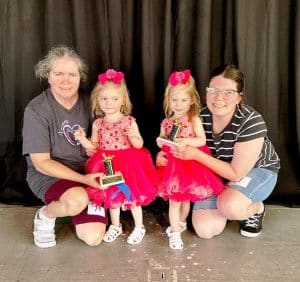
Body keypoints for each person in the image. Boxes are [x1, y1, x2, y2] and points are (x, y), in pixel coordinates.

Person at [157, 64, 280, 239]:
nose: (219, 97)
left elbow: (235, 173)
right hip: (215, 172)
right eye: (213, 90)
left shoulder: (251, 121)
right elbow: (178, 144)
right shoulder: (198, 117)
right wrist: (165, 153)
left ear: (239, 97)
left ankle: (255, 208)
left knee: (231, 207)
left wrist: (196, 154)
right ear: (206, 92)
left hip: (254, 171)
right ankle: (228, 198)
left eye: (228, 92)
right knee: (205, 230)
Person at [22, 45, 107, 248]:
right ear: (48, 76)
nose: (65, 81)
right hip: (51, 176)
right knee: (78, 198)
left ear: (80, 77)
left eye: (72, 74)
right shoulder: (37, 110)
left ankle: (76, 204)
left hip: (90, 173)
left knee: (93, 237)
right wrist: (82, 180)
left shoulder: (93, 103)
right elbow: (41, 163)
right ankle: (46, 215)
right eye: (58, 73)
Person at [74, 69, 157, 245]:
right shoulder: (98, 123)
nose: (109, 103)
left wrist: (134, 136)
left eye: (114, 99)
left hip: (129, 164)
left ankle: (139, 226)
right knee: (112, 197)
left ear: (122, 100)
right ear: (97, 100)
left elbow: (139, 144)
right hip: (106, 163)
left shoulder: (129, 121)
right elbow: (95, 147)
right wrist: (83, 140)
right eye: (104, 98)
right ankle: (116, 225)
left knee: (131, 195)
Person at [156, 70, 224, 250]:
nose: (178, 105)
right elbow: (163, 139)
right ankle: (176, 233)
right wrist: (160, 141)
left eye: (183, 100)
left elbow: (201, 140)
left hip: (189, 164)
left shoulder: (193, 118)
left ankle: (180, 222)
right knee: (174, 201)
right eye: (174, 100)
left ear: (191, 100)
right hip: (172, 166)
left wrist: (186, 141)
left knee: (185, 200)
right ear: (168, 100)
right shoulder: (166, 122)